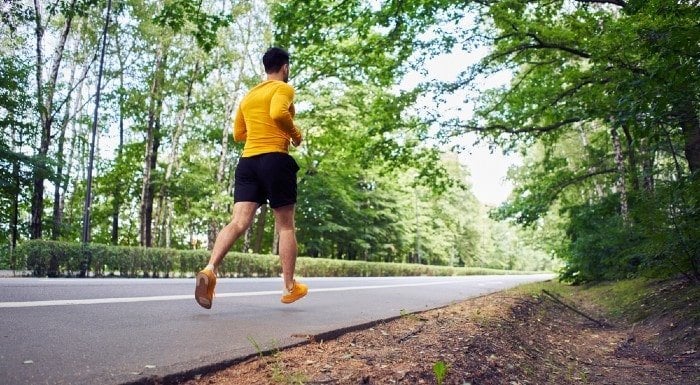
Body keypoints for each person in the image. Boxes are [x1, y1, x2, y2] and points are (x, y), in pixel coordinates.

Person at [195, 47, 308, 309]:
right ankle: (290, 287)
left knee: (238, 222)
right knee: (286, 226)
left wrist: (260, 133)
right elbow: (279, 114)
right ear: (285, 67)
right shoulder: (283, 89)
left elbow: (238, 133)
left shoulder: (248, 96)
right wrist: (295, 134)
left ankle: (210, 269)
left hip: (248, 163)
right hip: (275, 160)